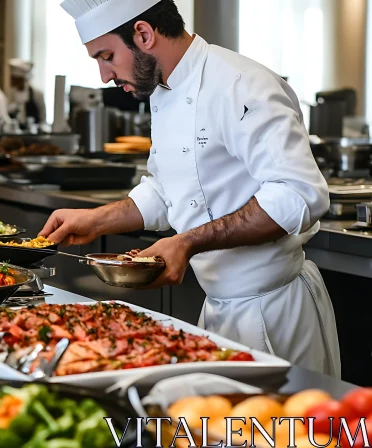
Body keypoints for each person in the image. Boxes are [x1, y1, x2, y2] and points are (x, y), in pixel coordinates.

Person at [42, 0, 340, 376]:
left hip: (275, 311)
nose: (104, 76)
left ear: (144, 34)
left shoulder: (242, 83)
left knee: (283, 433)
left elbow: (298, 194)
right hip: (217, 309)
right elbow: (168, 190)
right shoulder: (163, 90)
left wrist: (186, 242)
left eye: (107, 56)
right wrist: (97, 220)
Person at [7, 59, 46, 127]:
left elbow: (42, 118)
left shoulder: (37, 94)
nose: (11, 81)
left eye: (14, 79)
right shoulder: (11, 93)